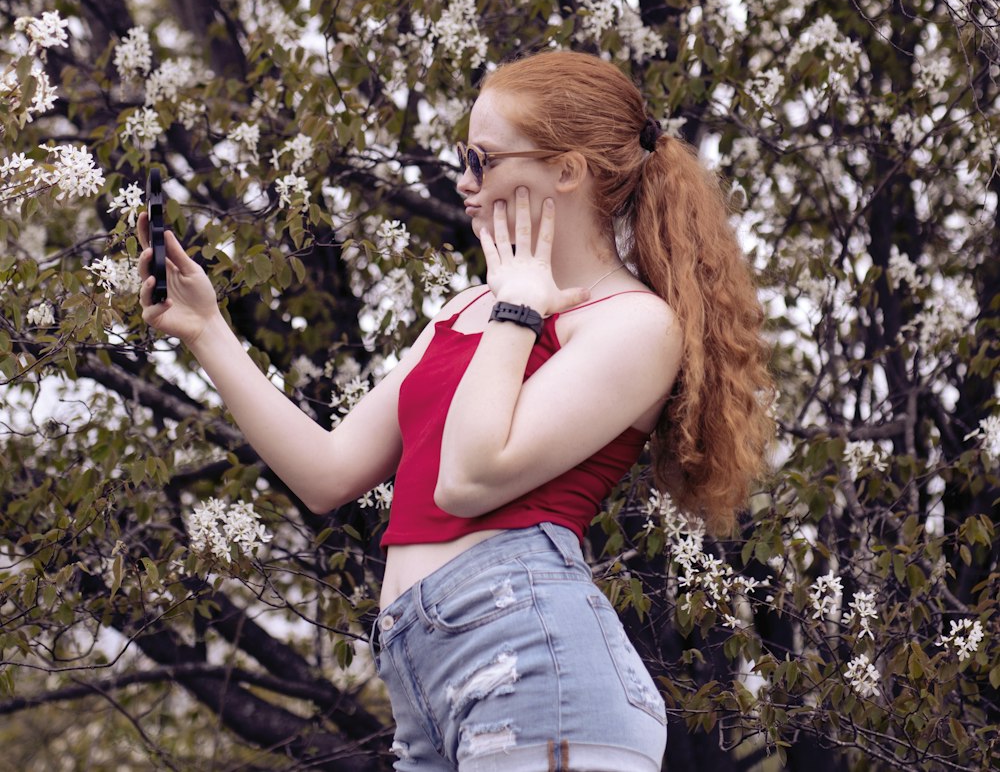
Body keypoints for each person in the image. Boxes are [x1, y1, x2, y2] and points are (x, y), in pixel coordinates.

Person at [139, 50, 772, 772]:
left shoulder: (632, 325)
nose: (465, 183)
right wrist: (207, 331)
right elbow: (327, 473)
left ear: (566, 170)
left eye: (484, 159)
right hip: (423, 683)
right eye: (461, 158)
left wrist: (519, 306)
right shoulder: (472, 309)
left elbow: (469, 478)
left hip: (538, 667)